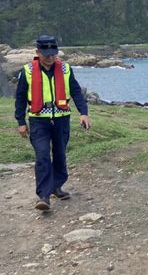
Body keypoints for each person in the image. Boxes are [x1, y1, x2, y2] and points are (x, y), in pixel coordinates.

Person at [14, 35, 91, 211]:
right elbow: (19, 98)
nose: (50, 57)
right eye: (45, 53)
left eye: (53, 53)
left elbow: (77, 92)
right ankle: (43, 196)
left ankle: (57, 186)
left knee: (60, 154)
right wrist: (20, 121)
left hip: (61, 119)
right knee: (42, 156)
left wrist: (84, 113)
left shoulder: (66, 70)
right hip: (38, 120)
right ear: (37, 52)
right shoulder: (26, 71)